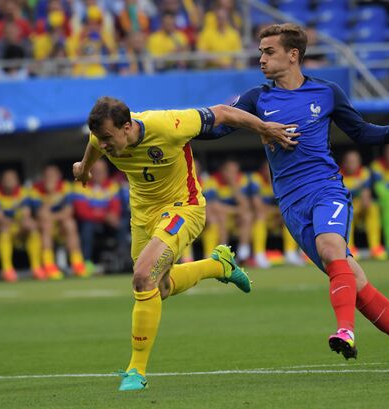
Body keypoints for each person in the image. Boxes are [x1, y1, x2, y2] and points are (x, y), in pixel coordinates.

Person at [198, 23, 389, 375]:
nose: (261, 58)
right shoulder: (256, 99)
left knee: (330, 248)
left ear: (293, 55)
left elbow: (361, 133)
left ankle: (345, 331)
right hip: (292, 206)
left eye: (269, 51)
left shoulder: (327, 92)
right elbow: (217, 128)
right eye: (261, 51)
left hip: (326, 188)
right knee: (353, 279)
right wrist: (178, 127)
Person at [72, 96, 293, 391]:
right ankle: (219, 266)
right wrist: (85, 168)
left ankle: (136, 370)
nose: (104, 143)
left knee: (142, 277)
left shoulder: (169, 125)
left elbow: (225, 113)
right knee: (157, 288)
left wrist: (264, 128)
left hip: (182, 208)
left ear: (127, 127)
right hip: (142, 216)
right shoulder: (103, 136)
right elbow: (94, 145)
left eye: (109, 137)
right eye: (101, 138)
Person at [0, 169, 44, 282]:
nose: (9, 181)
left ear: (17, 181)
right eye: (6, 179)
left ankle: (36, 268)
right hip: (1, 229)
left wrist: (25, 223)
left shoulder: (24, 192)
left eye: (12, 179)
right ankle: (7, 270)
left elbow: (25, 214)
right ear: (1, 181)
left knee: (32, 228)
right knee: (4, 230)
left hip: (17, 227)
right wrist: (14, 222)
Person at [30, 164, 86, 279]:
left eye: (53, 175)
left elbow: (68, 212)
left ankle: (77, 264)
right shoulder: (35, 190)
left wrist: (51, 217)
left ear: (59, 176)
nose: (50, 178)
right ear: (43, 177)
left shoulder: (66, 187)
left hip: (61, 226)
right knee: (46, 225)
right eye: (47, 175)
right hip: (43, 228)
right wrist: (50, 195)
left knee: (70, 223)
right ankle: (49, 265)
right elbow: (40, 214)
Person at [250, 160, 305, 267]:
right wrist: (277, 211)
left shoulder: (282, 180)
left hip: (278, 216)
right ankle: (259, 255)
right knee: (260, 214)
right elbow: (259, 207)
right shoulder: (256, 179)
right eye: (268, 168)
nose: (271, 171)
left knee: (291, 214)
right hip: (262, 217)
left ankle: (290, 253)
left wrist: (279, 212)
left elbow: (289, 203)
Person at [72, 159, 122, 273]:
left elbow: (115, 208)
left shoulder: (112, 186)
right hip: (89, 223)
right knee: (87, 227)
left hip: (108, 223)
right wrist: (104, 215)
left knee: (123, 224)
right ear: (90, 171)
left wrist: (106, 214)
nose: (99, 174)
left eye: (102, 171)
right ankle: (86, 262)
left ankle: (122, 261)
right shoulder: (81, 184)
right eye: (96, 171)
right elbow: (82, 212)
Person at [202, 159, 253, 262]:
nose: (232, 174)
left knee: (247, 216)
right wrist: (237, 211)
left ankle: (243, 255)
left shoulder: (241, 180)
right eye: (230, 171)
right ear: (223, 171)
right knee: (221, 216)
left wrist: (233, 185)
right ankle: (222, 254)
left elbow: (246, 206)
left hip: (234, 220)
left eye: (235, 171)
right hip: (218, 219)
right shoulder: (212, 181)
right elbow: (214, 206)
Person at [339, 150, 387, 260]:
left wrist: (366, 195)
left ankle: (375, 247)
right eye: (349, 162)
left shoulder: (364, 172)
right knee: (345, 212)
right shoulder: (338, 174)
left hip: (359, 204)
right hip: (344, 205)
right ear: (344, 163)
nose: (352, 164)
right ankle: (349, 248)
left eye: (355, 161)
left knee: (373, 207)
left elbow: (366, 190)